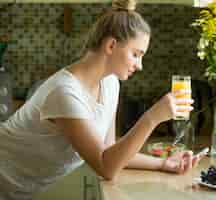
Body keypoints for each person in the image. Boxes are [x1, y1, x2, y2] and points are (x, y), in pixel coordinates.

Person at [0, 0, 204, 199]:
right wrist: (152, 118)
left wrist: (163, 163)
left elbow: (110, 152)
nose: (139, 65)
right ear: (111, 45)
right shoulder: (65, 93)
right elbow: (106, 167)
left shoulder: (110, 83)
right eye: (136, 54)